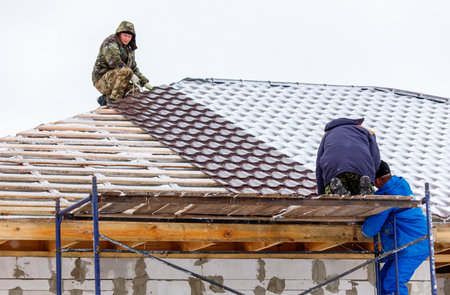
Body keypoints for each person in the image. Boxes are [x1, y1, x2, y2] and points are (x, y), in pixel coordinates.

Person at [362, 161, 429, 295]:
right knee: (381, 282)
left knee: (393, 283)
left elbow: (370, 230)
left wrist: (362, 228)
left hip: (413, 245)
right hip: (405, 244)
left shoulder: (388, 196)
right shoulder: (397, 187)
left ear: (376, 180)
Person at [92, 21, 152, 106]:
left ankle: (105, 100)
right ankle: (114, 102)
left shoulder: (129, 49)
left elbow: (133, 68)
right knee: (126, 71)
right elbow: (114, 62)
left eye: (129, 36)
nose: (127, 39)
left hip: (119, 81)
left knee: (135, 91)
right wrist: (131, 74)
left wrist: (144, 82)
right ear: (119, 34)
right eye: (125, 35)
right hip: (102, 80)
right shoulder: (110, 43)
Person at [316, 117, 380, 196]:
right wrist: (371, 178)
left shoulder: (327, 135)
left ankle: (340, 192)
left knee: (334, 198)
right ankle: (365, 190)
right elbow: (376, 158)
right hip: (361, 167)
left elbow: (319, 167)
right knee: (361, 193)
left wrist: (322, 193)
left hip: (334, 170)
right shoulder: (365, 131)